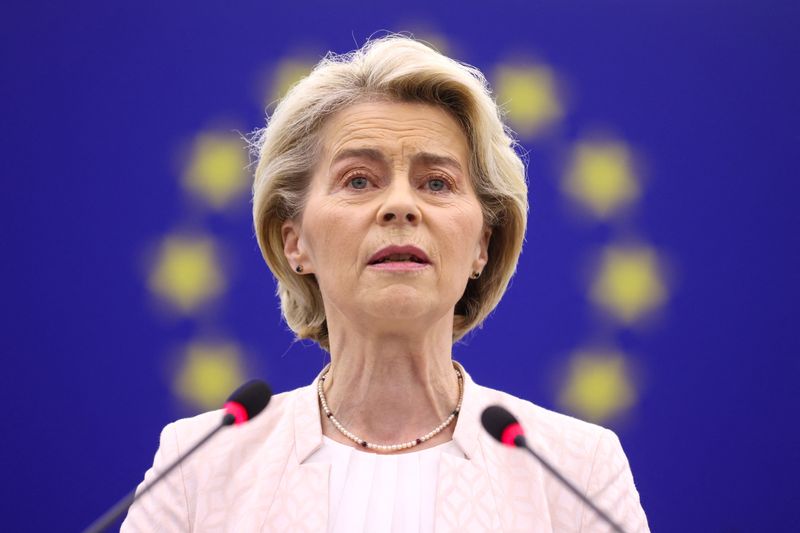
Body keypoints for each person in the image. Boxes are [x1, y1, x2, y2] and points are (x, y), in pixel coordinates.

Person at [122, 35, 649, 532]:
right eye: (358, 180)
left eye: (436, 183)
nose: (400, 205)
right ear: (294, 242)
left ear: (482, 246)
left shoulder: (575, 471)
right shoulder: (200, 468)